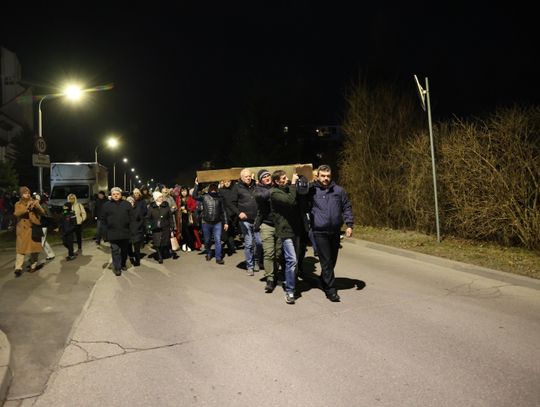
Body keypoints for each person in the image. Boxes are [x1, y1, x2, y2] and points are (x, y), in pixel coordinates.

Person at [309, 165, 354, 302]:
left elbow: (347, 207)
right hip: (319, 231)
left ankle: (323, 279)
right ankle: (330, 290)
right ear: (317, 176)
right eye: (323, 176)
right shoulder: (312, 191)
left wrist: (349, 224)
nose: (325, 178)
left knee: (332, 260)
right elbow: (300, 200)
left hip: (334, 232)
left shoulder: (339, 191)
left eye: (328, 176)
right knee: (326, 261)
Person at [270, 170, 303, 304]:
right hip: (285, 231)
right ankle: (290, 291)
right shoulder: (274, 193)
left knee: (295, 260)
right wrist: (294, 183)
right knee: (292, 260)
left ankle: (290, 281)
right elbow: (290, 200)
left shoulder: (289, 189)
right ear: (277, 181)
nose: (286, 180)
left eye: (286, 177)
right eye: (283, 179)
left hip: (296, 229)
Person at [254, 169, 281, 293]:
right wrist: (275, 188)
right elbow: (261, 197)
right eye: (264, 177)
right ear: (260, 180)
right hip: (266, 225)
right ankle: (270, 279)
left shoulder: (278, 186)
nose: (267, 178)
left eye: (268, 175)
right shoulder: (258, 190)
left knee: (278, 253)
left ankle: (275, 274)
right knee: (269, 253)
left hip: (280, 225)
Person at [232, 168, 262, 276]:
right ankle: (250, 266)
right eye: (246, 176)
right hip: (245, 220)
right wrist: (239, 213)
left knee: (259, 242)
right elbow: (231, 203)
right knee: (249, 243)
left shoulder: (256, 185)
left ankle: (256, 261)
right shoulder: (237, 187)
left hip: (257, 219)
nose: (248, 178)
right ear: (241, 177)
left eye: (249, 176)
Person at [193, 179, 228, 264]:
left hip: (217, 223)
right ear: (209, 189)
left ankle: (218, 257)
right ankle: (208, 253)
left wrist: (226, 222)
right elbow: (194, 196)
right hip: (206, 223)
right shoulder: (204, 197)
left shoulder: (220, 198)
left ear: (217, 189)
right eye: (211, 188)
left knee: (218, 240)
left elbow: (223, 211)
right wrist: (196, 184)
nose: (213, 189)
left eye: (214, 188)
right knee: (207, 240)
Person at [100, 187, 133, 276]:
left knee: (124, 251)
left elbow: (132, 218)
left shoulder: (127, 204)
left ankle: (123, 263)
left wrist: (132, 231)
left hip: (125, 232)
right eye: (114, 194)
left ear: (121, 195)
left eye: (117, 194)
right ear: (111, 195)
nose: (116, 195)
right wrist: (104, 234)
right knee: (115, 250)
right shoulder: (106, 205)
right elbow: (103, 220)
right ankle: (117, 268)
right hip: (112, 233)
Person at [13, 186, 44, 276]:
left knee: (34, 249)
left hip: (33, 228)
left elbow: (42, 212)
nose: (27, 194)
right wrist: (27, 208)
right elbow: (17, 213)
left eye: (28, 192)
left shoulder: (34, 202)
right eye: (25, 193)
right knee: (20, 250)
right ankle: (18, 268)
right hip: (23, 230)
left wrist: (36, 205)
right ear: (21, 194)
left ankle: (33, 266)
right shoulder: (18, 204)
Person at [146, 191, 176, 264]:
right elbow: (148, 218)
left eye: (162, 196)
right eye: (160, 197)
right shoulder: (151, 207)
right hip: (155, 228)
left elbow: (170, 217)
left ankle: (163, 253)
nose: (162, 198)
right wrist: (148, 226)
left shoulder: (166, 205)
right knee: (157, 243)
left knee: (164, 242)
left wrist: (172, 225)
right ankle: (159, 256)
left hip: (165, 227)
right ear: (156, 198)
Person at [35, 194, 55, 261]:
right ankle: (51, 254)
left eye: (37, 199)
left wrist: (54, 225)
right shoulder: (36, 205)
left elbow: (49, 215)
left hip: (43, 225)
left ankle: (34, 258)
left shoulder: (43, 205)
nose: (35, 200)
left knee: (41, 241)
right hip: (38, 225)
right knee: (43, 241)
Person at [126, 196, 145, 266]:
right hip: (128, 231)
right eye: (128, 202)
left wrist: (138, 226)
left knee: (137, 247)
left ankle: (137, 260)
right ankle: (131, 257)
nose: (130, 203)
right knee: (129, 246)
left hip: (137, 231)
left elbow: (141, 219)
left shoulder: (138, 209)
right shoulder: (125, 211)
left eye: (131, 202)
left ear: (134, 202)